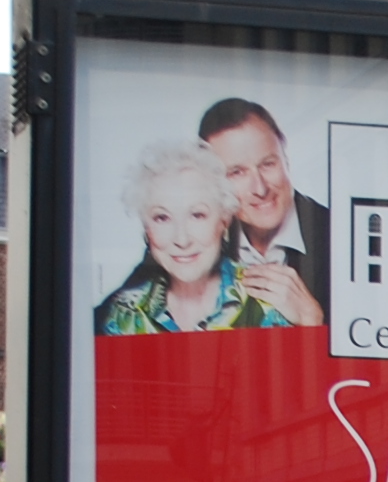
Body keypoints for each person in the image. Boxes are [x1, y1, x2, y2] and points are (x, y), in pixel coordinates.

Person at [112, 99, 329, 327]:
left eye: (267, 164)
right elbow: (106, 320)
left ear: (285, 157)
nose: (260, 188)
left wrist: (314, 321)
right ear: (214, 181)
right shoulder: (200, 234)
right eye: (237, 172)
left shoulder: (340, 232)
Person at [97, 144, 292, 335]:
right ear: (147, 229)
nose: (182, 240)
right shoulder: (125, 314)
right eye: (162, 218)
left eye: (197, 215)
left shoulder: (267, 299)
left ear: (224, 220)